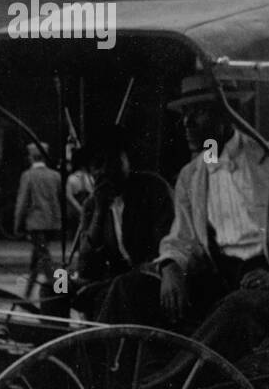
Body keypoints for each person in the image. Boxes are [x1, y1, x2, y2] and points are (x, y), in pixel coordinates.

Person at [97, 74, 269, 367]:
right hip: (221, 281)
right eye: (184, 114)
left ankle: (170, 384)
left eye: (198, 112)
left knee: (237, 307)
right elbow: (183, 240)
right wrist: (170, 267)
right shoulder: (191, 176)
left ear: (228, 114)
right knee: (127, 289)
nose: (187, 123)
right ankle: (103, 382)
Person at [68, 126, 174, 314]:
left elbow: (166, 248)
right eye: (98, 164)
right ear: (90, 172)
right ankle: (53, 341)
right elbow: (85, 268)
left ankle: (93, 342)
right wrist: (100, 213)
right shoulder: (92, 205)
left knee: (118, 288)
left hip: (148, 281)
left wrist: (112, 281)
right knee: (55, 286)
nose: (106, 170)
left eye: (113, 161)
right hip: (109, 282)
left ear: (127, 160)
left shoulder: (153, 189)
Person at [13, 141, 62, 300]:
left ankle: (59, 292)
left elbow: (22, 203)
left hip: (36, 224)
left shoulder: (28, 176)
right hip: (52, 224)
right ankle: (27, 295)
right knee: (37, 258)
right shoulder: (55, 176)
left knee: (45, 260)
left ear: (31, 157)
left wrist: (17, 225)